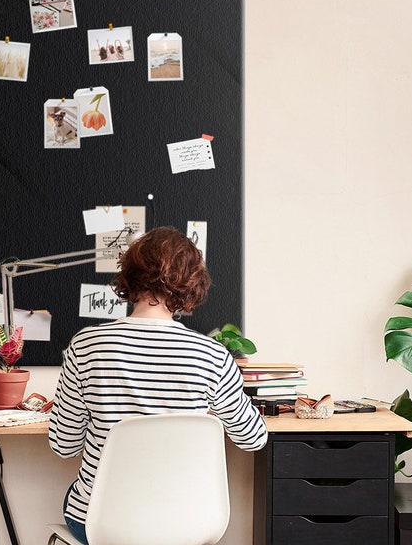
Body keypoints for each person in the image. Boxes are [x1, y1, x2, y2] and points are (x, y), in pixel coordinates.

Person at [48, 227, 268, 544]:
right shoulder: (212, 356)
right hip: (187, 523)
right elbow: (253, 439)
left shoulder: (87, 346)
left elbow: (64, 446)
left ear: (129, 276)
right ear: (191, 283)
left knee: (82, 494)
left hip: (102, 526)